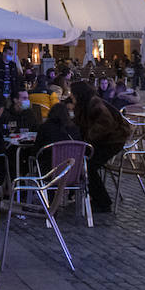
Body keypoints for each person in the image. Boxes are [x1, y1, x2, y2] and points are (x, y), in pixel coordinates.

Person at [70, 81, 128, 214]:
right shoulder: (84, 104)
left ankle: (103, 202)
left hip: (112, 141)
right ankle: (81, 194)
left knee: (89, 167)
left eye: (72, 93)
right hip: (102, 140)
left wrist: (88, 138)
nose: (71, 96)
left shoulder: (94, 103)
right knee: (83, 163)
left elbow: (105, 124)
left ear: (79, 94)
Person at [34, 100, 81, 172]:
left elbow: (36, 150)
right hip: (72, 170)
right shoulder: (74, 129)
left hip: (49, 171)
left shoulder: (44, 128)